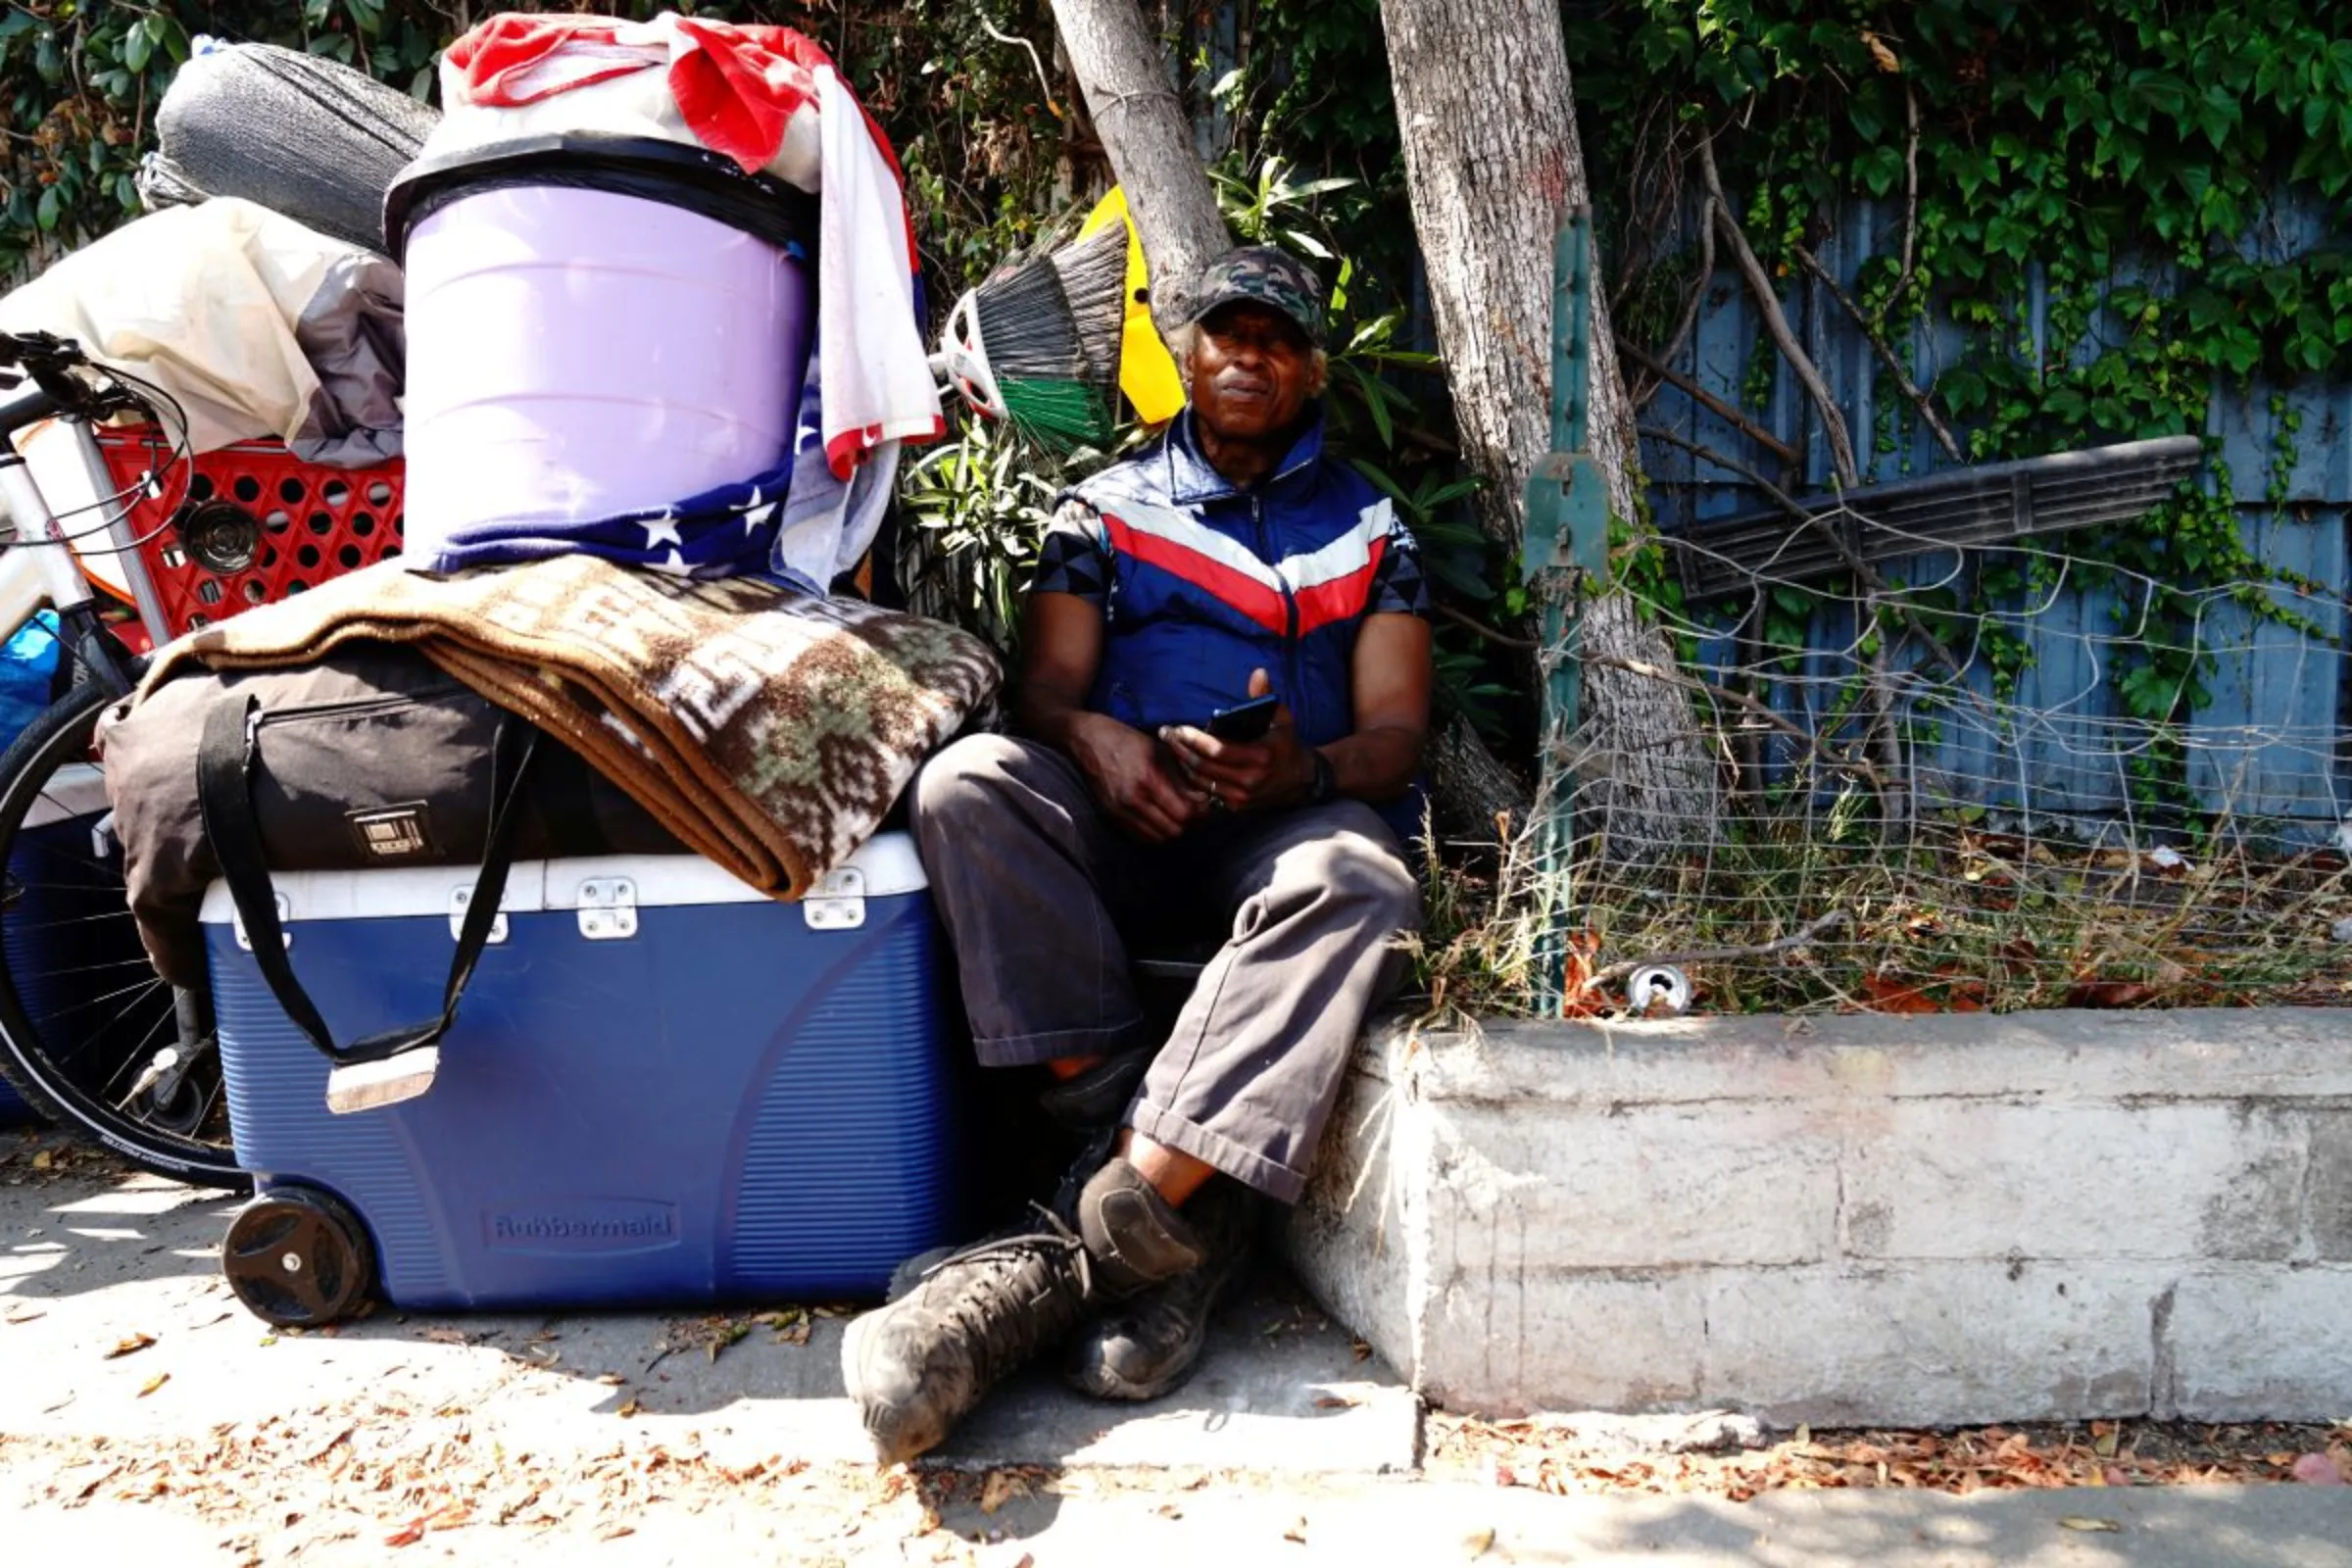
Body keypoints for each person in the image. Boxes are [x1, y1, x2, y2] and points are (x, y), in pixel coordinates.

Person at [841, 245, 1431, 1463]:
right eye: (1224, 331)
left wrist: (1303, 772)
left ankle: (1095, 1233)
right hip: (1127, 824)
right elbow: (1045, 692)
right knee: (968, 782)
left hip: (1274, 829)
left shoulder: (1368, 525)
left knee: (1362, 872)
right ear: (1185, 352)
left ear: (1311, 368)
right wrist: (1097, 740)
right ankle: (1181, 1211)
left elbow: (1395, 735)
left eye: (1274, 337)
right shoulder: (1103, 507)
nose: (1246, 355)